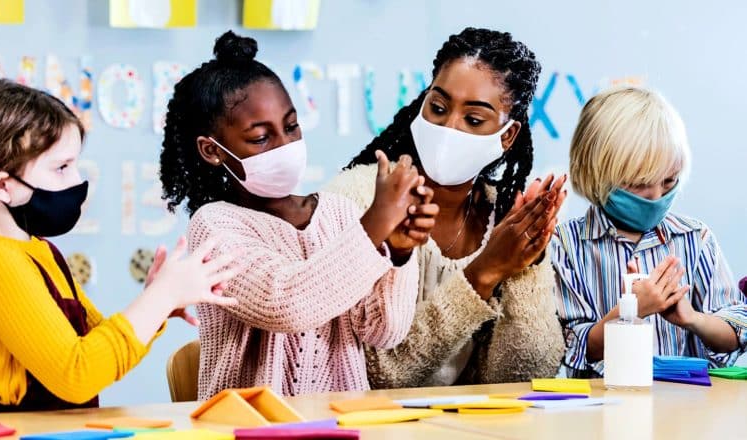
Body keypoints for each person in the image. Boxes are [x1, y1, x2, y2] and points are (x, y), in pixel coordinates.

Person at [159, 31, 436, 397]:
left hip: (341, 424)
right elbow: (286, 304)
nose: (285, 145)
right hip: (247, 428)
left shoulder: (338, 212)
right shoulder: (215, 227)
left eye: (291, 126)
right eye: (261, 138)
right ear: (213, 151)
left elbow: (384, 332)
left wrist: (397, 254)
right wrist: (374, 227)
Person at [324, 27, 567, 387]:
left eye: (473, 119)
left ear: (507, 136)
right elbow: (377, 376)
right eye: (437, 108)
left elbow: (520, 377)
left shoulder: (505, 217)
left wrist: (525, 265)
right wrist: (482, 273)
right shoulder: (357, 199)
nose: (448, 126)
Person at [0, 79, 237, 412]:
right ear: (1, 185)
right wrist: (162, 297)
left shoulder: (37, 250)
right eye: (61, 168)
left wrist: (153, 305)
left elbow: (97, 350)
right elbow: (77, 374)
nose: (77, 182)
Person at [552, 86, 747, 377]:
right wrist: (630, 312)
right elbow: (570, 348)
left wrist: (692, 319)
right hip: (600, 413)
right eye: (640, 183)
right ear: (596, 172)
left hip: (688, 413)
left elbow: (737, 329)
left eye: (669, 181)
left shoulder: (695, 238)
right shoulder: (565, 245)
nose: (656, 197)